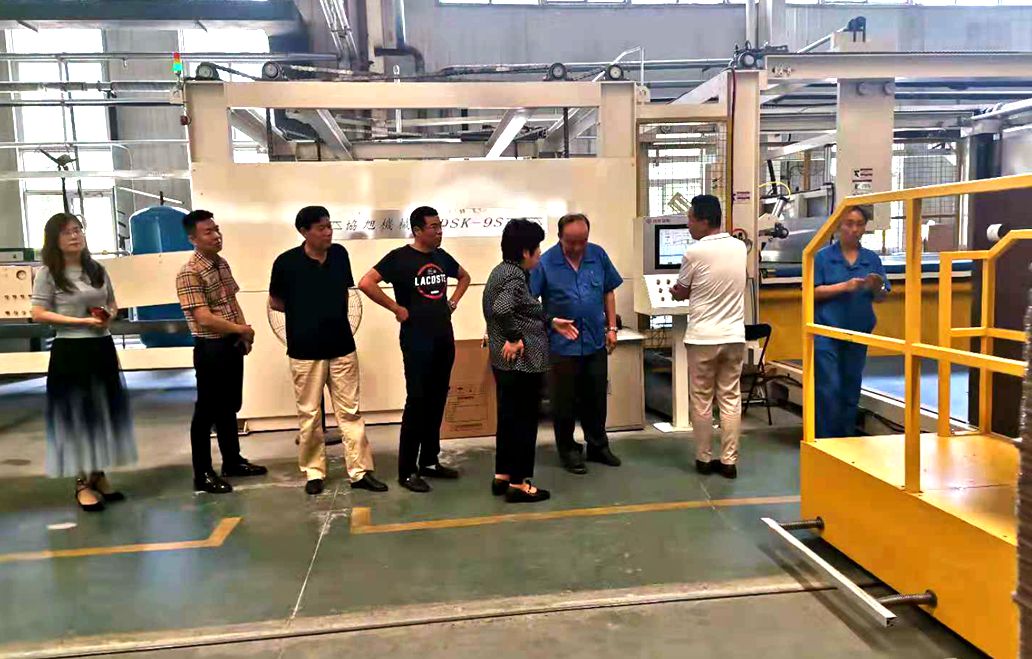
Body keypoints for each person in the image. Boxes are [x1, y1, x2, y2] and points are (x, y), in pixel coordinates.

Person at [269, 206, 388, 496]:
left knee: (350, 412)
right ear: (304, 231)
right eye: (321, 228)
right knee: (310, 414)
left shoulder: (339, 255)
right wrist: (305, 315)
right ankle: (314, 472)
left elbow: (345, 292)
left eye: (329, 226)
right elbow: (275, 302)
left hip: (342, 346)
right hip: (304, 350)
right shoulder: (286, 262)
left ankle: (360, 472)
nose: (328, 232)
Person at [358, 206, 472, 493]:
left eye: (440, 225)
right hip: (416, 339)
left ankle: (430, 461)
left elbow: (465, 277)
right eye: (433, 227)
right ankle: (407, 470)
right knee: (418, 401)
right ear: (417, 230)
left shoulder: (441, 257)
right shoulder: (399, 258)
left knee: (437, 399)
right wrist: (396, 308)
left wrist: (453, 302)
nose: (439, 231)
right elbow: (366, 283)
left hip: (443, 337)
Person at [30, 213, 137, 512]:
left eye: (78, 230)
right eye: (67, 232)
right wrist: (81, 322)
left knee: (102, 412)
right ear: (54, 239)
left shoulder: (97, 269)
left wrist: (108, 315)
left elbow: (112, 302)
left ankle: (98, 474)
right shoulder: (48, 273)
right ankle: (82, 483)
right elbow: (38, 313)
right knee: (78, 415)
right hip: (71, 351)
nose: (75, 236)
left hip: (101, 347)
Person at [483, 220, 579, 504]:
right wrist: (514, 337)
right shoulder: (515, 277)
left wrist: (551, 321)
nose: (539, 254)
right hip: (522, 364)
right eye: (536, 248)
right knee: (524, 422)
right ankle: (519, 483)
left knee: (509, 419)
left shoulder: (502, 271)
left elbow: (523, 308)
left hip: (505, 364)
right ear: (525, 251)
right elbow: (502, 309)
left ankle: (503, 475)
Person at [176, 210, 267, 494]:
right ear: (193, 238)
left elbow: (231, 300)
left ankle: (232, 461)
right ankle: (202, 472)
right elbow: (204, 318)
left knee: (229, 406)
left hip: (231, 343)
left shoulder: (221, 263)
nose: (216, 236)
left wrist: (243, 332)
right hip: (210, 347)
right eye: (208, 232)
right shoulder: (189, 272)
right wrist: (241, 329)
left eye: (217, 230)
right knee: (206, 411)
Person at [530, 213, 622, 475]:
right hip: (561, 346)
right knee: (564, 402)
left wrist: (611, 328)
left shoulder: (598, 255)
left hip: (594, 341)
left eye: (583, 241)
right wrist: (549, 322)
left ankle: (598, 446)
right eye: (572, 242)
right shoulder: (545, 262)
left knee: (596, 398)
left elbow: (608, 291)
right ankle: (568, 450)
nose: (578, 247)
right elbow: (530, 301)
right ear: (560, 237)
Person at [669, 195, 747, 479]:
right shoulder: (739, 247)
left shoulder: (694, 252)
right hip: (734, 336)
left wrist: (676, 292)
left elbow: (682, 290)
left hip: (703, 337)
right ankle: (729, 461)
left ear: (704, 221)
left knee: (702, 399)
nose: (688, 225)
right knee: (730, 397)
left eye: (690, 219)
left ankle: (704, 459)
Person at [813, 205, 889, 438]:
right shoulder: (822, 257)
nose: (854, 229)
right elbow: (811, 292)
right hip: (827, 332)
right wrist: (844, 286)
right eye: (849, 223)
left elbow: (882, 296)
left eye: (859, 224)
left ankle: (846, 439)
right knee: (828, 387)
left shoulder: (871, 259)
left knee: (851, 387)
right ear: (839, 225)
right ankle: (825, 440)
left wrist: (876, 287)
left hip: (858, 332)